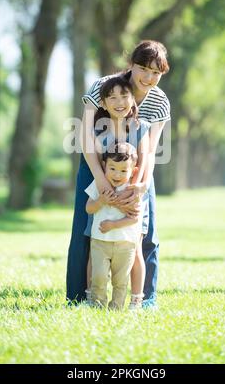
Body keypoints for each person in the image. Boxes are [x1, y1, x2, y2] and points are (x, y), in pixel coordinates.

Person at [66, 40, 171, 308]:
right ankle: (79, 298)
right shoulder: (104, 86)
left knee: (145, 232)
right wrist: (100, 179)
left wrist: (139, 186)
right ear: (131, 65)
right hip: (95, 163)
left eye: (156, 72)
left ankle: (145, 299)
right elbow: (85, 134)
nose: (149, 78)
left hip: (137, 168)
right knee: (85, 230)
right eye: (143, 69)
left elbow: (150, 152)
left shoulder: (159, 101)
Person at [84, 75, 150, 309]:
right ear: (103, 103)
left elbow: (145, 161)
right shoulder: (97, 130)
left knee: (135, 250)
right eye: (111, 97)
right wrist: (104, 191)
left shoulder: (141, 128)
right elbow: (95, 161)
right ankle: (93, 299)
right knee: (95, 250)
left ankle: (135, 301)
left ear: (134, 100)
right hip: (105, 194)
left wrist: (136, 190)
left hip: (132, 192)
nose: (119, 101)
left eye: (124, 95)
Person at [86, 142, 146, 310]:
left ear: (133, 171)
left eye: (123, 170)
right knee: (98, 276)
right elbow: (88, 208)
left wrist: (114, 224)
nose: (117, 175)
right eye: (112, 168)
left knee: (120, 280)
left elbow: (134, 218)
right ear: (104, 165)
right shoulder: (99, 184)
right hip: (100, 241)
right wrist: (100, 201)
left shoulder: (133, 191)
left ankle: (116, 308)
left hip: (125, 244)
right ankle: (97, 304)